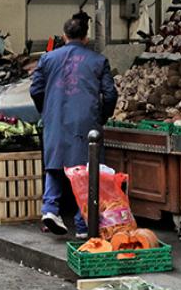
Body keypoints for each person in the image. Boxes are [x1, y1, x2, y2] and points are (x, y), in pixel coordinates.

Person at [30, 17, 118, 238]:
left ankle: (50, 208)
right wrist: (103, 116)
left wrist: (47, 110)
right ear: (86, 38)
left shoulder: (48, 59)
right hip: (86, 122)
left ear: (64, 36)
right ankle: (83, 223)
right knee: (87, 172)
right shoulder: (98, 61)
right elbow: (110, 94)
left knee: (54, 165)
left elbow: (35, 89)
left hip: (56, 118)